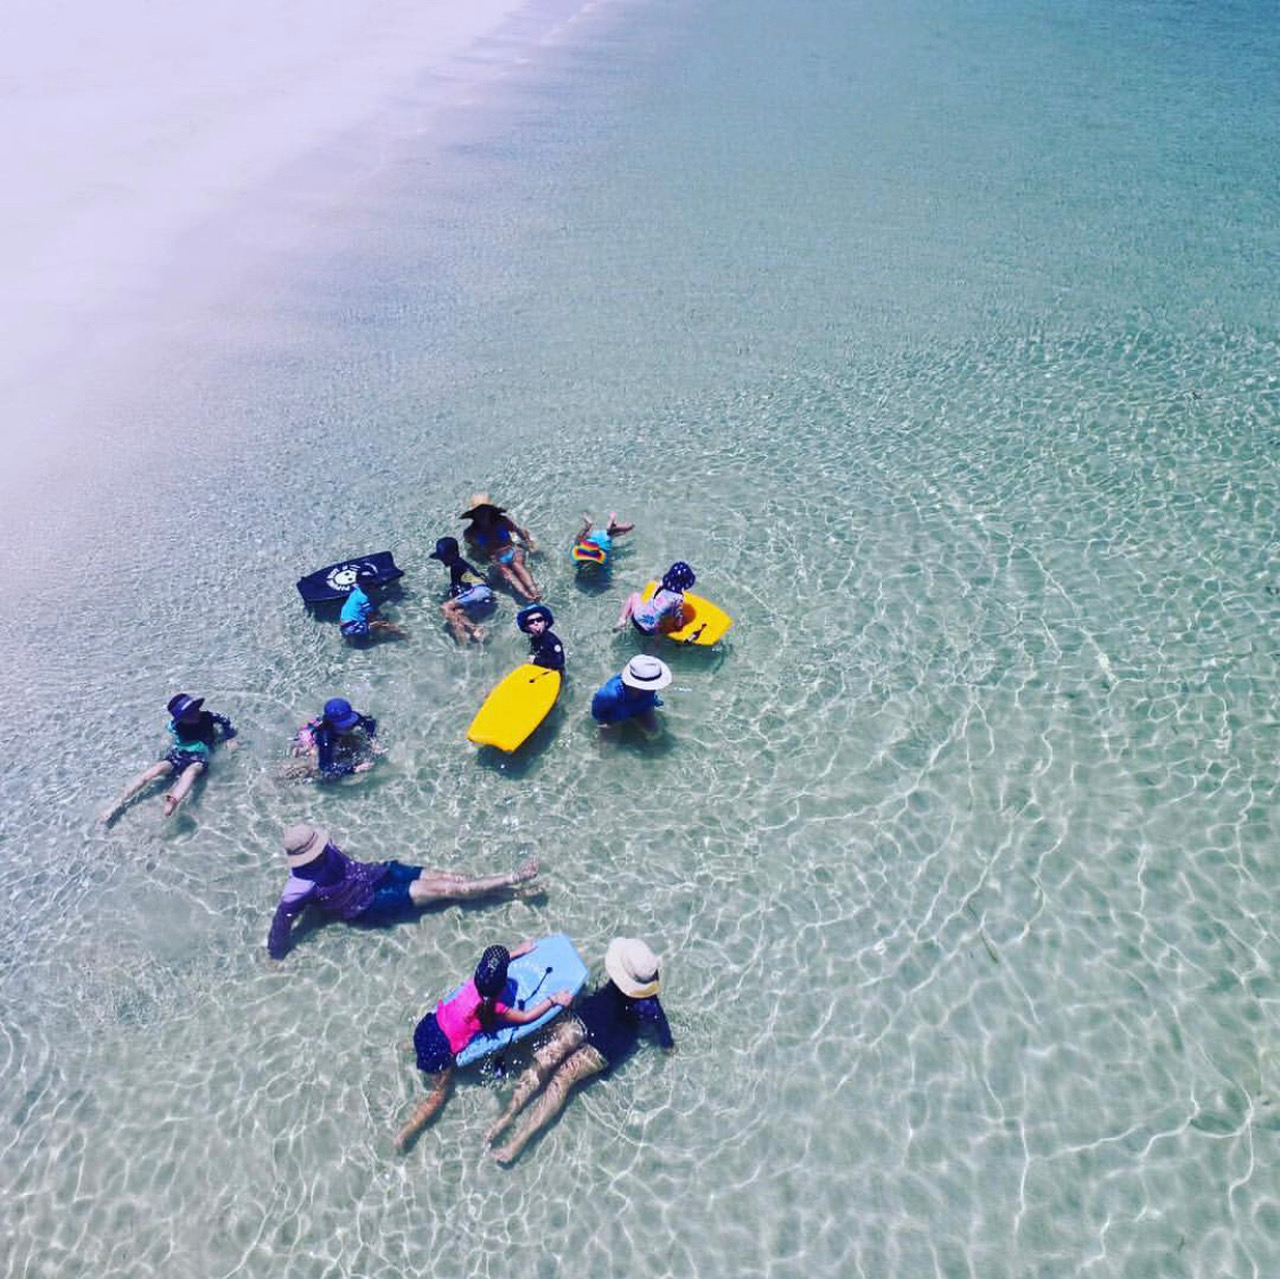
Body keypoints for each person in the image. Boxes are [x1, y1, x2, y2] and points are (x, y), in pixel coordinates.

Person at [486, 938, 674, 1164]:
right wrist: (668, 1047)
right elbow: (665, 1036)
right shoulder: (651, 1006)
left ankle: (515, 1135)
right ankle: (509, 1122)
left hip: (599, 1032)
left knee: (557, 1070)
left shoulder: (650, 1006)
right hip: (602, 1031)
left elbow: (663, 1032)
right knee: (555, 1065)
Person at [266, 823, 541, 960]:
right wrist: (276, 953)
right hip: (369, 902)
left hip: (378, 873)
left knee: (454, 879)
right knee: (451, 889)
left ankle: (512, 892)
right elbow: (282, 921)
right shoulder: (299, 889)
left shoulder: (324, 846)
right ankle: (515, 879)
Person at [395, 943, 574, 1151]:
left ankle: (405, 1047)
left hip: (428, 1027)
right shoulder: (496, 1007)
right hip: (440, 1051)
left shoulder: (473, 982)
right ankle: (404, 1134)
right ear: (501, 984)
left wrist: (520, 952)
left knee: (421, 1045)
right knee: (438, 1096)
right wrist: (554, 999)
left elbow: (491, 968)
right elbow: (526, 1017)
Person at [100, 693, 238, 823]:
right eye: (188, 714)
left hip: (199, 758)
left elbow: (225, 720)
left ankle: (173, 800)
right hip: (178, 755)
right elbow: (175, 739)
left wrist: (229, 737)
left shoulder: (208, 716)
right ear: (180, 718)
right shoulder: (176, 725)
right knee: (154, 770)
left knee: (190, 772)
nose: (194, 714)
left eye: (194, 709)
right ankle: (117, 803)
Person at [461, 493, 541, 602]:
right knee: (506, 572)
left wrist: (529, 543)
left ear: (490, 510)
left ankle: (534, 590)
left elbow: (520, 531)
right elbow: (474, 549)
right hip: (496, 557)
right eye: (479, 511)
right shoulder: (470, 532)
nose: (482, 514)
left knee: (517, 565)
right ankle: (526, 594)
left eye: (485, 510)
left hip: (512, 549)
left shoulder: (502, 521)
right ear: (473, 514)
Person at [290, 698, 382, 781]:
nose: (350, 726)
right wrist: (354, 769)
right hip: (309, 738)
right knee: (315, 769)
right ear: (332, 724)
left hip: (323, 726)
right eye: (344, 725)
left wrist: (373, 741)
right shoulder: (325, 738)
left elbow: (370, 723)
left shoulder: (352, 717)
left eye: (350, 723)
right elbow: (325, 768)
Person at [428, 536, 495, 644]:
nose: (443, 560)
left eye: (444, 557)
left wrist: (449, 599)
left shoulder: (456, 566)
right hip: (482, 592)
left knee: (445, 607)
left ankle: (466, 635)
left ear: (455, 554)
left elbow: (456, 590)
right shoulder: (461, 564)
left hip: (479, 590)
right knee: (457, 613)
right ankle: (477, 634)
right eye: (441, 557)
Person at [590, 655, 672, 732]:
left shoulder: (649, 682)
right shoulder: (610, 694)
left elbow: (650, 698)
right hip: (615, 712)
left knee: (654, 732)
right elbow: (597, 713)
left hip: (642, 706)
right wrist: (606, 724)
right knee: (608, 741)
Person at [615, 561, 695, 634]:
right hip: (649, 629)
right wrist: (681, 621)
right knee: (658, 634)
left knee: (635, 596)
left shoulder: (661, 584)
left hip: (636, 617)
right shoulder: (678, 598)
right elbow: (677, 622)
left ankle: (622, 619)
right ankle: (654, 645)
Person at [339, 568, 407, 642]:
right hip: (353, 629)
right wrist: (387, 624)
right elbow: (373, 617)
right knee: (384, 624)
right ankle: (405, 637)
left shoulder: (357, 592)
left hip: (344, 624)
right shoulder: (365, 600)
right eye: (371, 584)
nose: (373, 585)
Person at [516, 604, 565, 672]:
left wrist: (535, 660)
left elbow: (559, 662)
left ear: (546, 622)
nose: (536, 623)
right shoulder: (534, 639)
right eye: (531, 622)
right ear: (527, 627)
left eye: (539, 619)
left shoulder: (553, 641)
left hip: (555, 672)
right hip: (541, 668)